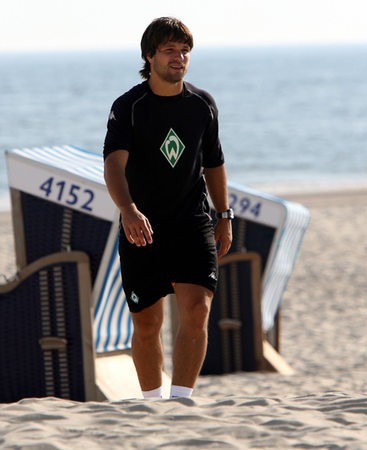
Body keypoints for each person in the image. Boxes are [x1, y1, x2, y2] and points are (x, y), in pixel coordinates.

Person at [103, 16, 233, 400]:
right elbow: (113, 163)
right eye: (170, 51)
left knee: (197, 310)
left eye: (184, 51)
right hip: (143, 226)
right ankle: (152, 403)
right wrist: (127, 209)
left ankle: (181, 401)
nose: (179, 58)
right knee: (147, 322)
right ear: (150, 56)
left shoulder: (202, 104)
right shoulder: (129, 106)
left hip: (192, 222)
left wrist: (223, 215)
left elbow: (214, 163)